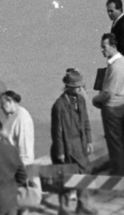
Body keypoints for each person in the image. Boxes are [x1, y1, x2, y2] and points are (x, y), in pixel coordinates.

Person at [51, 68, 95, 214]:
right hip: (67, 148)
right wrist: (60, 153)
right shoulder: (59, 105)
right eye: (78, 87)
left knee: (83, 176)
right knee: (66, 180)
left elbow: (86, 122)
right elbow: (57, 131)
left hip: (81, 146)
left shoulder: (81, 100)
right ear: (69, 88)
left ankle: (83, 206)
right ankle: (64, 209)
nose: (81, 89)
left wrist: (89, 141)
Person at [93, 32, 124, 174]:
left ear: (113, 46)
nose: (102, 50)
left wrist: (95, 99)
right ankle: (121, 168)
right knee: (119, 140)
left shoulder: (114, 67)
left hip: (111, 109)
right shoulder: (122, 60)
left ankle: (118, 173)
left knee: (114, 143)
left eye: (104, 47)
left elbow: (108, 93)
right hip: (121, 105)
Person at [0, 91, 38, 207]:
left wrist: (22, 175)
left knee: (19, 204)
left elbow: (24, 149)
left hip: (18, 170)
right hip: (12, 168)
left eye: (2, 103)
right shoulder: (14, 116)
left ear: (10, 101)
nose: (1, 107)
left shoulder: (22, 118)